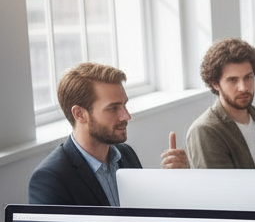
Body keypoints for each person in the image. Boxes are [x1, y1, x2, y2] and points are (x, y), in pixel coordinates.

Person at [28, 63, 188, 206]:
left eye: (124, 105)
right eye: (113, 108)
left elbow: (145, 219)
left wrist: (174, 182)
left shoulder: (126, 154)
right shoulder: (50, 179)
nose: (126, 116)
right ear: (79, 114)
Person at [185, 38, 255, 168]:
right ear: (215, 83)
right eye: (232, 80)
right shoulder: (205, 130)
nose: (243, 87)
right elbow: (220, 186)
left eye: (248, 77)